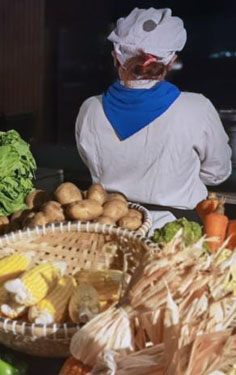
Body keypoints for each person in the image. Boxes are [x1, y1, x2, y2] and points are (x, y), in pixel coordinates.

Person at [75, 8, 232, 229]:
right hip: (178, 231)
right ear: (171, 61)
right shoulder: (197, 108)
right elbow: (217, 174)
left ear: (115, 58)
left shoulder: (90, 109)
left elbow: (89, 161)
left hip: (111, 226)